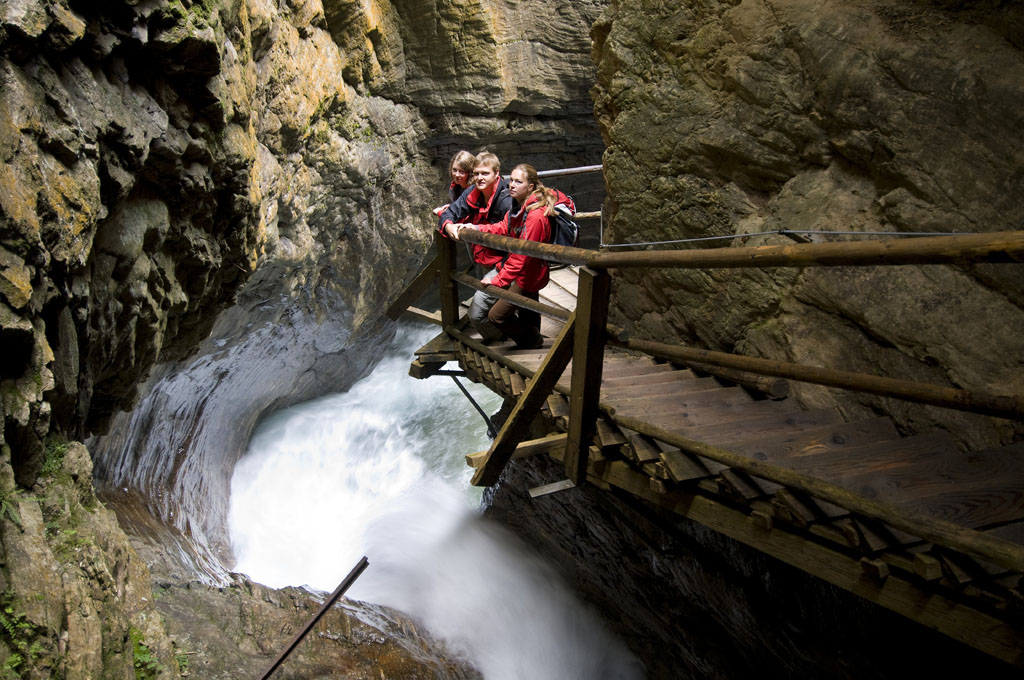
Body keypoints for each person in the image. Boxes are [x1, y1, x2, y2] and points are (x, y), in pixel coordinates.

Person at [456, 164, 571, 349]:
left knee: (497, 316)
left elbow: (522, 254)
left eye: (518, 182)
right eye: (511, 181)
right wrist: (476, 228)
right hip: (529, 271)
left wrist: (498, 280)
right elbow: (504, 227)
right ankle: (533, 340)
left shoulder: (535, 216)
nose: (512, 185)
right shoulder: (520, 206)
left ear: (530, 186)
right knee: (528, 307)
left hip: (529, 275)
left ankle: (532, 340)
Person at [438, 152, 514, 340]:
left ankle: (501, 344)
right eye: (477, 173)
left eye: (485, 173)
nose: (480, 178)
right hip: (486, 256)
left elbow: (509, 230)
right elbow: (451, 212)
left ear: (496, 174)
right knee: (497, 303)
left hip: (507, 262)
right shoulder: (473, 192)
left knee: (478, 313)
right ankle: (506, 336)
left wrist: (477, 228)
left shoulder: (506, 200)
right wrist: (448, 226)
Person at [432, 150, 476, 216]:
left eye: (461, 172)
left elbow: (465, 215)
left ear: (470, 173)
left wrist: (440, 212)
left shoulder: (474, 191)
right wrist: (451, 206)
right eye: (454, 170)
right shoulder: (455, 186)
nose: (457, 175)